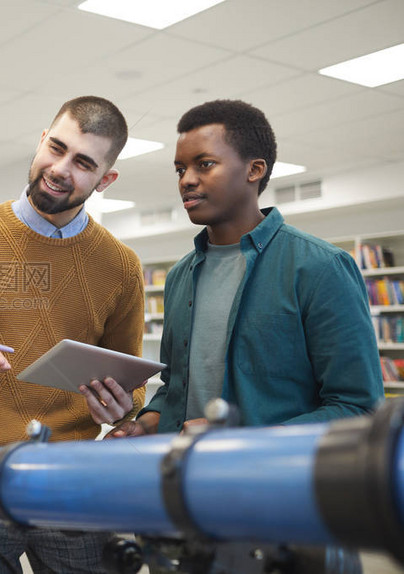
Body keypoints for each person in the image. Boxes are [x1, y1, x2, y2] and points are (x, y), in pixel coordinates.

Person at [0, 96, 145, 573]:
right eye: (55, 147)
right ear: (41, 140)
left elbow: (130, 378)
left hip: (69, 476)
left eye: (82, 163)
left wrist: (123, 406)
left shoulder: (120, 266)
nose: (59, 168)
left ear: (105, 180)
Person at [86, 99, 384, 438]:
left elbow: (359, 408)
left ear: (254, 170)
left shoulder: (321, 267)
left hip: (276, 483)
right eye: (181, 169)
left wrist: (241, 435)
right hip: (182, 479)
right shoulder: (181, 276)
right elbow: (176, 388)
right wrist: (147, 423)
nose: (187, 180)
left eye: (205, 164)